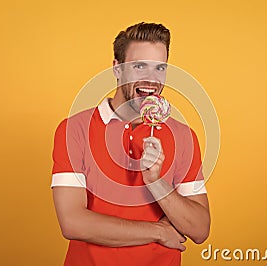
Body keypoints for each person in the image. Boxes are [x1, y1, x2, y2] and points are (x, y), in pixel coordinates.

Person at [51, 22, 210, 266]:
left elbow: (199, 229)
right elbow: (73, 222)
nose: (151, 79)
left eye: (160, 68)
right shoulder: (74, 129)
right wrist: (159, 231)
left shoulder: (183, 136)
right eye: (139, 66)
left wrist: (156, 182)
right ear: (117, 69)